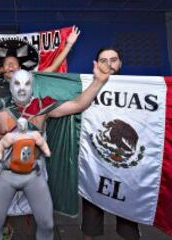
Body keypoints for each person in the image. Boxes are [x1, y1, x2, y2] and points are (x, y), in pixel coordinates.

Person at [0, 59, 110, 240]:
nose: (22, 88)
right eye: (17, 83)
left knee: (47, 225)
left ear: (33, 86)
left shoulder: (42, 107)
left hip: (34, 175)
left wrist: (98, 81)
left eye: (26, 83)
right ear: (10, 87)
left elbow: (78, 104)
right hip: (6, 175)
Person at [81, 47, 140, 240]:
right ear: (96, 64)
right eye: (103, 60)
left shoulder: (139, 89)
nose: (108, 64)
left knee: (129, 225)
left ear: (120, 63)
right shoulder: (86, 87)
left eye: (113, 60)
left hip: (125, 171)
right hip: (94, 166)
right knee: (90, 221)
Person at [0, 26, 80, 98]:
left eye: (13, 64)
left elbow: (53, 68)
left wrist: (69, 44)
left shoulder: (29, 80)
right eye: (7, 65)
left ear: (19, 69)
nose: (11, 67)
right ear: (2, 69)